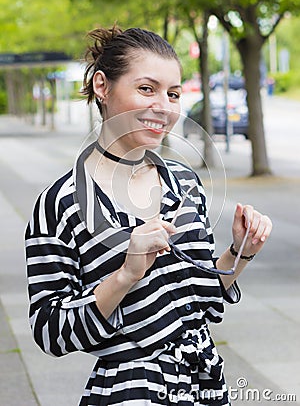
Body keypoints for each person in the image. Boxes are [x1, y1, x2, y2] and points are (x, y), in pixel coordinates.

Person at [25, 25, 272, 406]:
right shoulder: (60, 204)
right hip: (130, 391)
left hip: (204, 387)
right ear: (102, 86)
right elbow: (50, 332)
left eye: (173, 93)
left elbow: (200, 301)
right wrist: (126, 274)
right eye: (147, 89)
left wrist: (241, 252)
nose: (165, 106)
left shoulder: (185, 183)